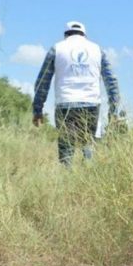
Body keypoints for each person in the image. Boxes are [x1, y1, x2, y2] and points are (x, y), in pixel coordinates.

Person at [33, 21, 120, 166]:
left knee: (66, 149)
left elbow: (42, 82)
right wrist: (114, 111)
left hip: (64, 104)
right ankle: (89, 180)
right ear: (84, 35)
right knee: (88, 145)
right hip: (91, 104)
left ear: (66, 35)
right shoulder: (97, 49)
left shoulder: (57, 48)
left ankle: (66, 181)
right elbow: (111, 81)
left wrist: (37, 110)